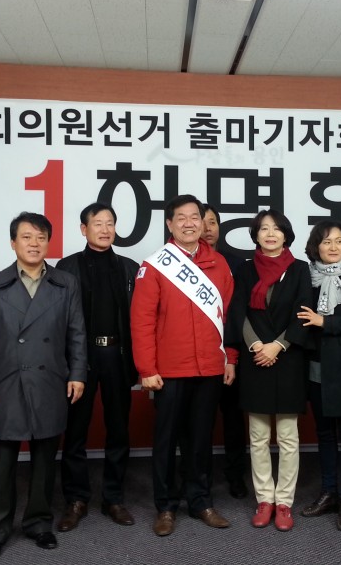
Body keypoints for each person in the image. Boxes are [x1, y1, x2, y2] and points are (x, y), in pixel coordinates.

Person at [0, 212, 86, 562]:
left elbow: (77, 333)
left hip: (50, 379)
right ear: (13, 243)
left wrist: (78, 373)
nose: (34, 244)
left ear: (48, 242)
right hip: (6, 381)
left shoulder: (66, 283)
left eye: (40, 237)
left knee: (45, 458)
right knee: (0, 461)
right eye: (26, 237)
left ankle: (38, 522)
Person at [131, 194, 236, 537]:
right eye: (182, 218)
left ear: (203, 223)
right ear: (170, 224)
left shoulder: (219, 264)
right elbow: (142, 320)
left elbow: (229, 317)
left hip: (209, 368)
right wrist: (147, 369)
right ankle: (165, 506)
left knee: (201, 440)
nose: (190, 223)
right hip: (170, 370)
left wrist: (230, 357)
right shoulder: (155, 265)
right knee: (166, 440)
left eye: (196, 217)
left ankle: (201, 501)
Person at [55, 203, 139, 531]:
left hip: (118, 355)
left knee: (119, 429)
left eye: (110, 223)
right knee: (75, 431)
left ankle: (113, 498)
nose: (105, 229)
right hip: (81, 357)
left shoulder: (130, 268)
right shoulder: (66, 267)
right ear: (83, 229)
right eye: (98, 223)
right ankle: (76, 499)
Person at [227, 209, 312, 532]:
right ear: (256, 235)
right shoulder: (245, 269)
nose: (271, 234)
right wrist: (255, 346)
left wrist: (278, 345)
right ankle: (265, 498)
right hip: (256, 360)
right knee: (259, 436)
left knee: (288, 437)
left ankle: (284, 502)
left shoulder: (300, 269)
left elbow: (303, 312)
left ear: (286, 234)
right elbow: (238, 312)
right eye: (264, 229)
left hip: (288, 359)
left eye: (276, 228)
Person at [297, 221, 341, 532]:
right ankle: (328, 493)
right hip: (315, 365)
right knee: (324, 434)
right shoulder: (307, 278)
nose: (333, 247)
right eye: (326, 241)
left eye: (339, 241)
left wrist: (325, 322)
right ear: (316, 246)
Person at [202, 204, 248, 499]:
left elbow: (239, 311)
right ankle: (199, 478)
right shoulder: (179, 264)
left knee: (233, 420)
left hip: (230, 353)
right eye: (202, 222)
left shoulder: (236, 263)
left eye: (213, 222)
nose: (208, 228)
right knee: (200, 421)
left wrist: (232, 353)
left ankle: (235, 475)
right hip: (198, 355)